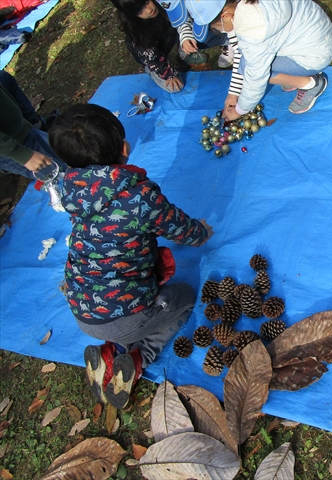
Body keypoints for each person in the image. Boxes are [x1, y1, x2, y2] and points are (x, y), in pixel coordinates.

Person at [48, 104, 214, 408]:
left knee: (122, 317)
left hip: (82, 311)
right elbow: (180, 229)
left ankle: (110, 354)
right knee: (185, 297)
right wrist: (202, 232)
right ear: (125, 147)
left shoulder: (71, 191)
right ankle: (139, 357)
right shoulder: (139, 196)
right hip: (127, 314)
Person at [204, 0, 332, 118]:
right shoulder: (241, 7)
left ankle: (310, 84)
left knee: (248, 67)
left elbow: (256, 76)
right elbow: (240, 51)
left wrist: (241, 110)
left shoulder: (254, 32)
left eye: (216, 29)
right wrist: (233, 93)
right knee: (250, 62)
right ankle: (292, 75)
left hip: (314, 56)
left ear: (225, 16)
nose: (220, 32)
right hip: (317, 35)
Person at [110, 0, 235, 93]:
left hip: (171, 34)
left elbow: (184, 17)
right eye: (140, 11)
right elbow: (151, 57)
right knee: (175, 87)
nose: (149, 10)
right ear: (131, 14)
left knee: (199, 35)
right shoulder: (137, 33)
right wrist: (167, 73)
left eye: (147, 2)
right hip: (152, 56)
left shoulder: (165, 2)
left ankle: (189, 50)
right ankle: (153, 70)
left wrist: (185, 37)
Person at [0, 71, 65, 178]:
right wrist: (23, 155)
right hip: (13, 142)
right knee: (60, 172)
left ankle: (36, 125)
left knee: (4, 78)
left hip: (17, 127)